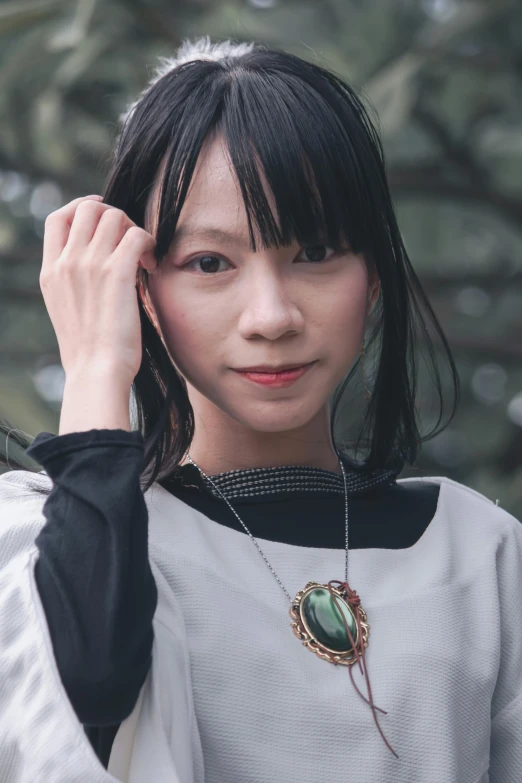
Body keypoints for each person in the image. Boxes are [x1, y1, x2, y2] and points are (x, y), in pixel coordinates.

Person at [0, 35, 520, 783]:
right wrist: (94, 369)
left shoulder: (481, 552)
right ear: (141, 289)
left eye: (314, 253)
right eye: (210, 264)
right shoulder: (65, 537)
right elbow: (78, 699)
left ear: (373, 273)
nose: (271, 316)